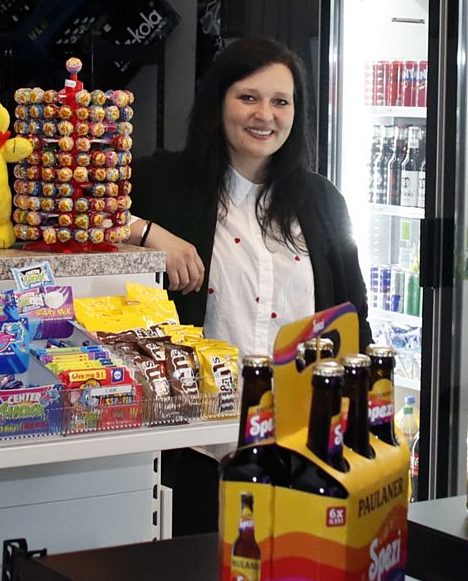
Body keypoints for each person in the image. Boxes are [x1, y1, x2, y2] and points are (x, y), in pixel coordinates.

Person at [127, 36, 370, 354]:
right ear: (219, 102)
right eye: (248, 98)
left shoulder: (323, 200)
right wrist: (148, 233)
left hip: (303, 401)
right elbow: (74, 214)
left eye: (281, 102)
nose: (265, 115)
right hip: (201, 402)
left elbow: (354, 319)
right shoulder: (164, 180)